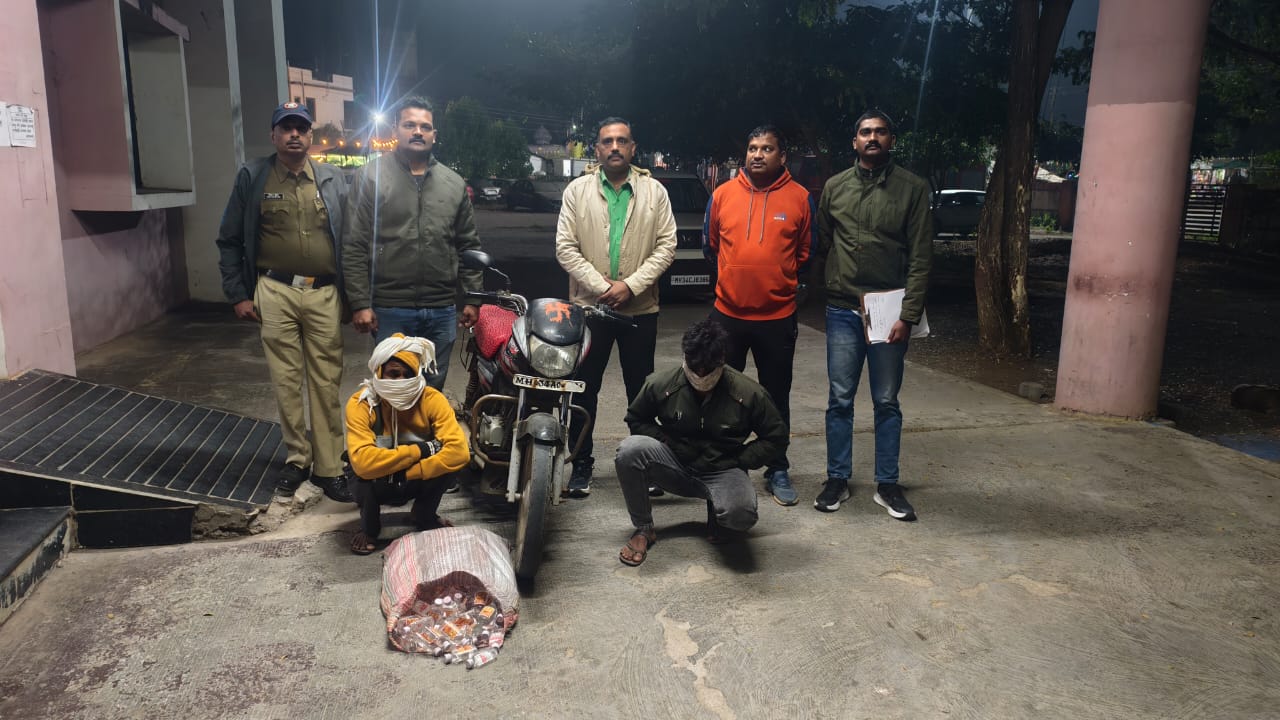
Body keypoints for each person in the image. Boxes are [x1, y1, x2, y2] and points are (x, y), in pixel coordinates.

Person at [215, 101, 354, 503]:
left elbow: (353, 240)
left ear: (311, 136)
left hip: (324, 292)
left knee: (326, 381)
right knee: (286, 380)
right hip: (274, 290)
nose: (294, 134)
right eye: (286, 128)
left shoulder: (333, 179)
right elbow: (228, 239)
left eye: (301, 128)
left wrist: (356, 297)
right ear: (273, 135)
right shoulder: (253, 176)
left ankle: (330, 467)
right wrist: (238, 293)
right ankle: (297, 459)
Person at [814, 110, 932, 520]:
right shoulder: (835, 187)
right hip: (843, 308)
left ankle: (887, 485)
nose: (872, 138)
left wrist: (909, 315)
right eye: (865, 132)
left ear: (891, 140)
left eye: (880, 132)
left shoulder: (912, 189)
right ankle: (836, 479)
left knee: (886, 400)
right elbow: (824, 239)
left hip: (888, 314)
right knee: (839, 399)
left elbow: (921, 257)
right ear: (855, 142)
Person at [554, 116, 676, 497]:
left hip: (640, 309)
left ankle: (646, 465)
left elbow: (667, 246)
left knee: (641, 390)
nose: (615, 147)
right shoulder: (577, 191)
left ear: (633, 147)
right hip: (590, 310)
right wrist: (603, 287)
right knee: (582, 389)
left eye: (622, 140)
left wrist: (631, 286)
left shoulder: (655, 192)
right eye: (607, 141)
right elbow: (565, 248)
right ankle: (581, 464)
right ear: (597, 149)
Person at [614, 319, 788, 566]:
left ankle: (718, 512)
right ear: (685, 357)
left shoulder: (749, 393)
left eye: (708, 369)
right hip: (676, 462)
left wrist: (740, 459)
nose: (701, 375)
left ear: (722, 360)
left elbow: (776, 437)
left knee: (741, 517)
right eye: (695, 367)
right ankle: (643, 528)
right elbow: (636, 418)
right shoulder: (661, 384)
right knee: (629, 450)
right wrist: (667, 441)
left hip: (723, 468)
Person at [703, 124, 813, 507]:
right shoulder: (722, 195)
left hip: (777, 318)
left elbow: (805, 253)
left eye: (767, 148)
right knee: (721, 393)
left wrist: (775, 280)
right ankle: (722, 464)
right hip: (727, 316)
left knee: (775, 396)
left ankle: (777, 467)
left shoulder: (800, 198)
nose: (758, 155)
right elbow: (711, 247)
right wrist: (735, 278)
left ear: (782, 156)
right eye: (752, 148)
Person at [342, 96, 483, 390]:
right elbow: (354, 245)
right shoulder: (371, 177)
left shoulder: (453, 183)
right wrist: (360, 303)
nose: (418, 131)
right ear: (395, 129)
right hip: (390, 308)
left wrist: (472, 298)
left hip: (441, 309)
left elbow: (468, 245)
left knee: (432, 392)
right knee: (394, 392)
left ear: (434, 134)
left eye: (425, 126)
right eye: (409, 125)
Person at [344, 334, 470, 554]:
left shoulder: (432, 399)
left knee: (451, 466)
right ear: (379, 372)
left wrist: (408, 472)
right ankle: (369, 527)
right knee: (358, 470)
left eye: (408, 374)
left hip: (413, 477)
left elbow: (459, 452)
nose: (401, 380)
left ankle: (424, 515)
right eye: (394, 374)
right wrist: (420, 450)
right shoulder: (362, 403)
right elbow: (363, 462)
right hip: (378, 480)